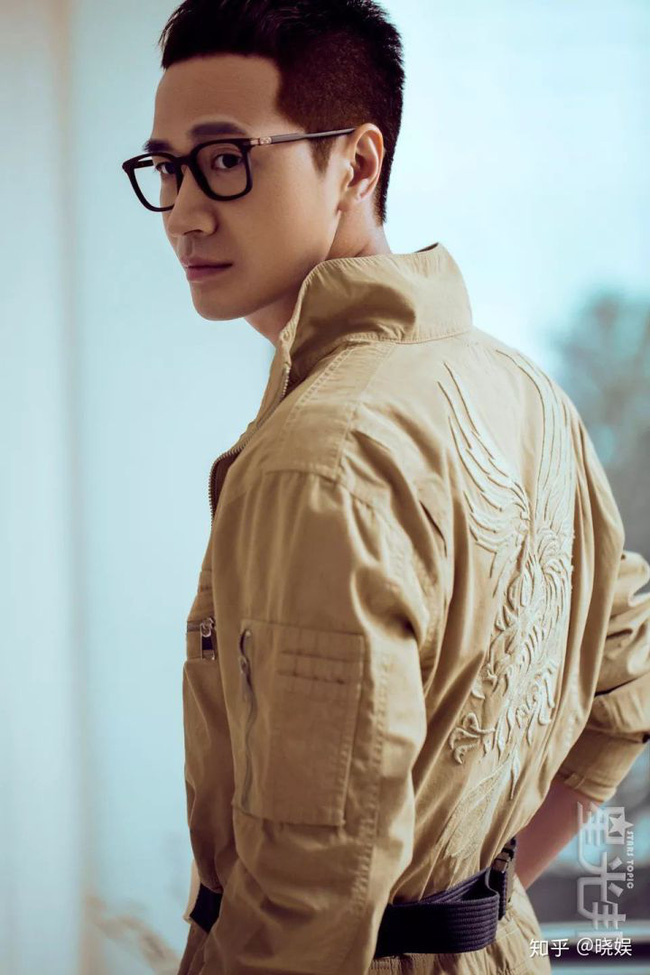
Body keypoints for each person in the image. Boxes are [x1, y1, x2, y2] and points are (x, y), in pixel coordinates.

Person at [120, 1, 650, 972]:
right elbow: (627, 690)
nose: (185, 210)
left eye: (226, 158)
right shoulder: (527, 394)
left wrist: (421, 925)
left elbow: (307, 900)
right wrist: (470, 905)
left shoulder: (318, 455)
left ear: (357, 165)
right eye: (166, 168)